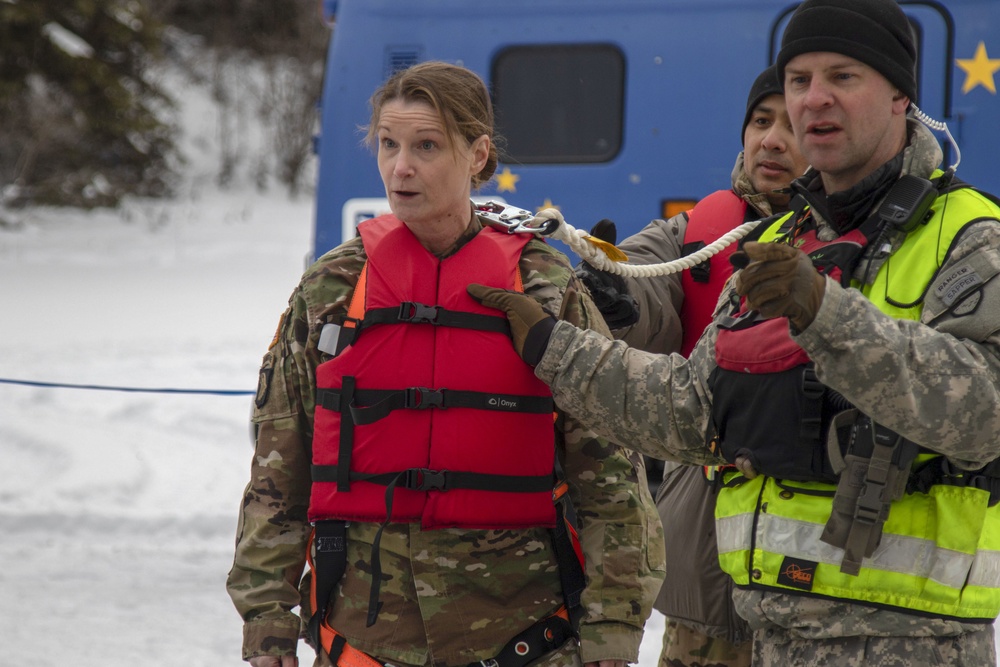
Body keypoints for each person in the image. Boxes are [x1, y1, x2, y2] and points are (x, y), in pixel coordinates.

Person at [468, 1, 1000, 664]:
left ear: (899, 97)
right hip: (765, 636)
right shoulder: (779, 241)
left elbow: (985, 414)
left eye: (843, 76)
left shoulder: (971, 236)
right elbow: (694, 408)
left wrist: (823, 312)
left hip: (912, 644)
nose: (814, 100)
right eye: (799, 79)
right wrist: (555, 347)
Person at [226, 61, 664, 667]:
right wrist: (267, 622)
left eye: (426, 146)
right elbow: (278, 473)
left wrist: (613, 633)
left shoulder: (543, 288)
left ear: (478, 154)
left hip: (525, 636)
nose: (400, 167)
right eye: (388, 144)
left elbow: (612, 481)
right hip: (364, 639)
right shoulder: (331, 289)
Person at [578, 65, 808, 667]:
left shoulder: (863, 237)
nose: (772, 140)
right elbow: (646, 287)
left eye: (793, 125)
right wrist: (611, 296)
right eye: (761, 121)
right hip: (706, 575)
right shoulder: (700, 230)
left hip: (817, 576)